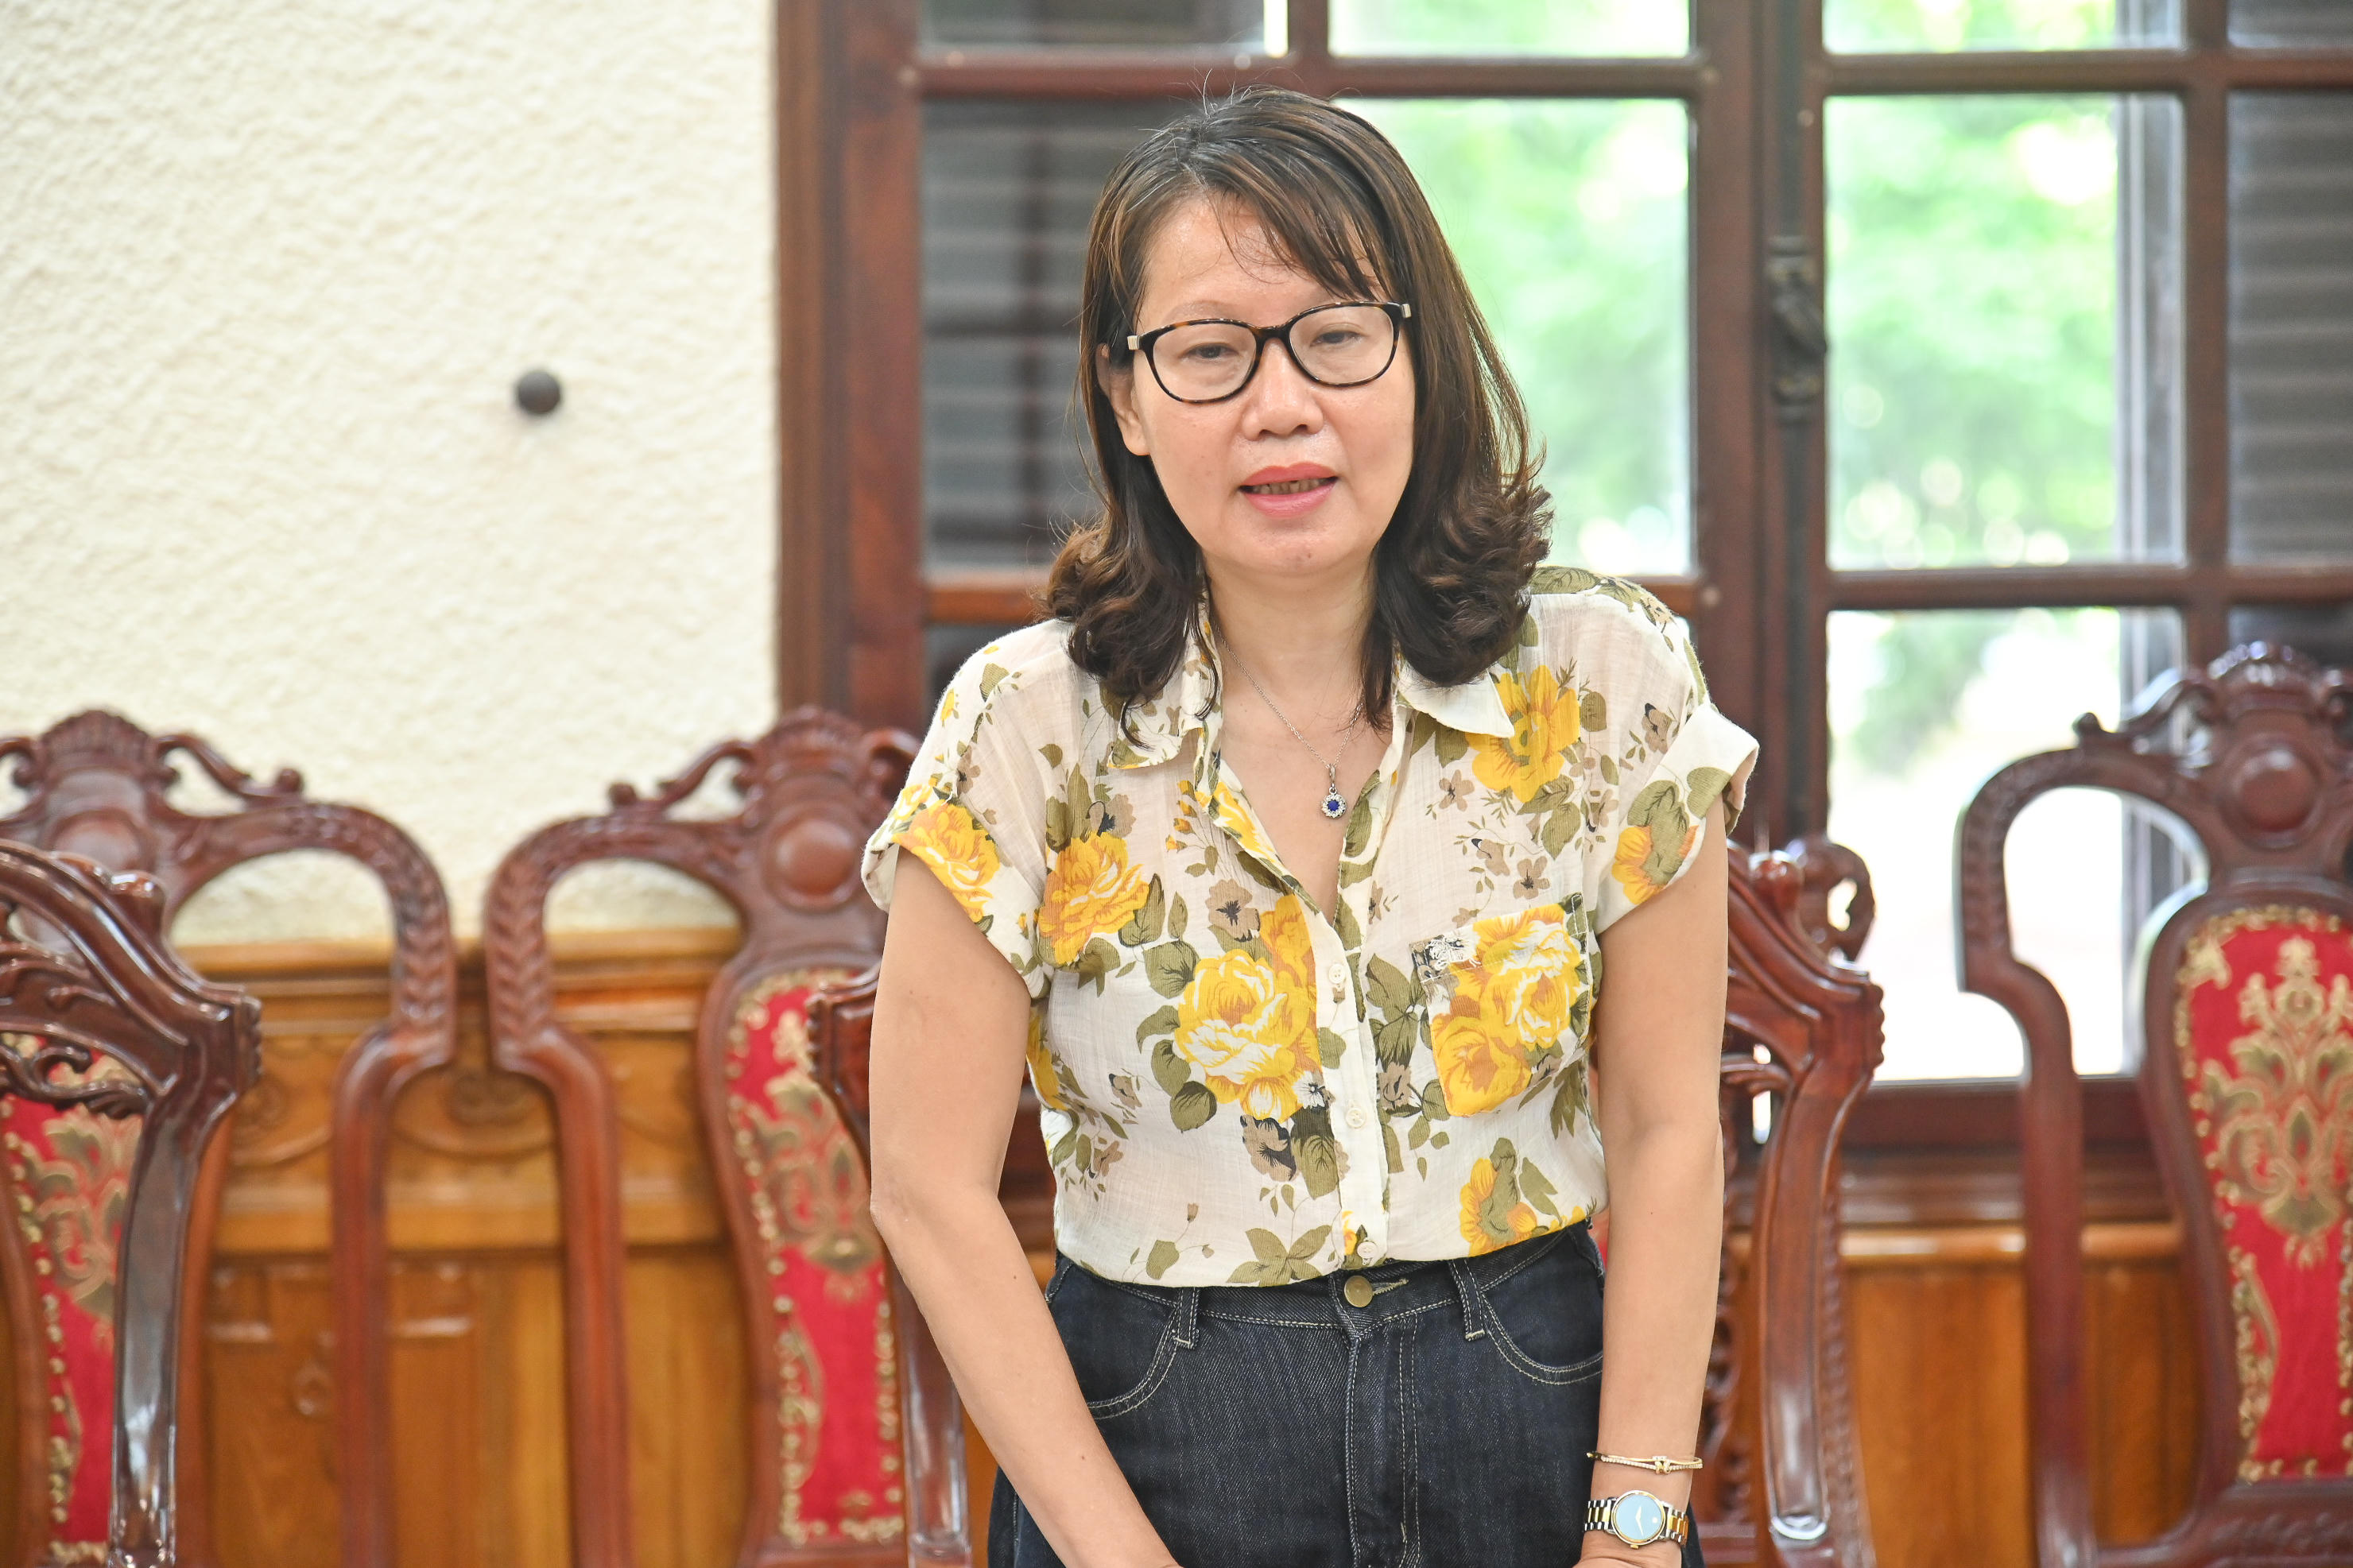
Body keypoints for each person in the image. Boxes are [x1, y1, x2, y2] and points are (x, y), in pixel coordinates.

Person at [859, 85, 1757, 1568]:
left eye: (1336, 337)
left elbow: (1669, 1127)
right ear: (1127, 397)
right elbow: (928, 1184)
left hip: (1534, 1413)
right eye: (1210, 352)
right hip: (1155, 1434)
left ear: (1422, 358)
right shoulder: (1025, 725)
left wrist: (1641, 1523)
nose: (1281, 405)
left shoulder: (1606, 678)